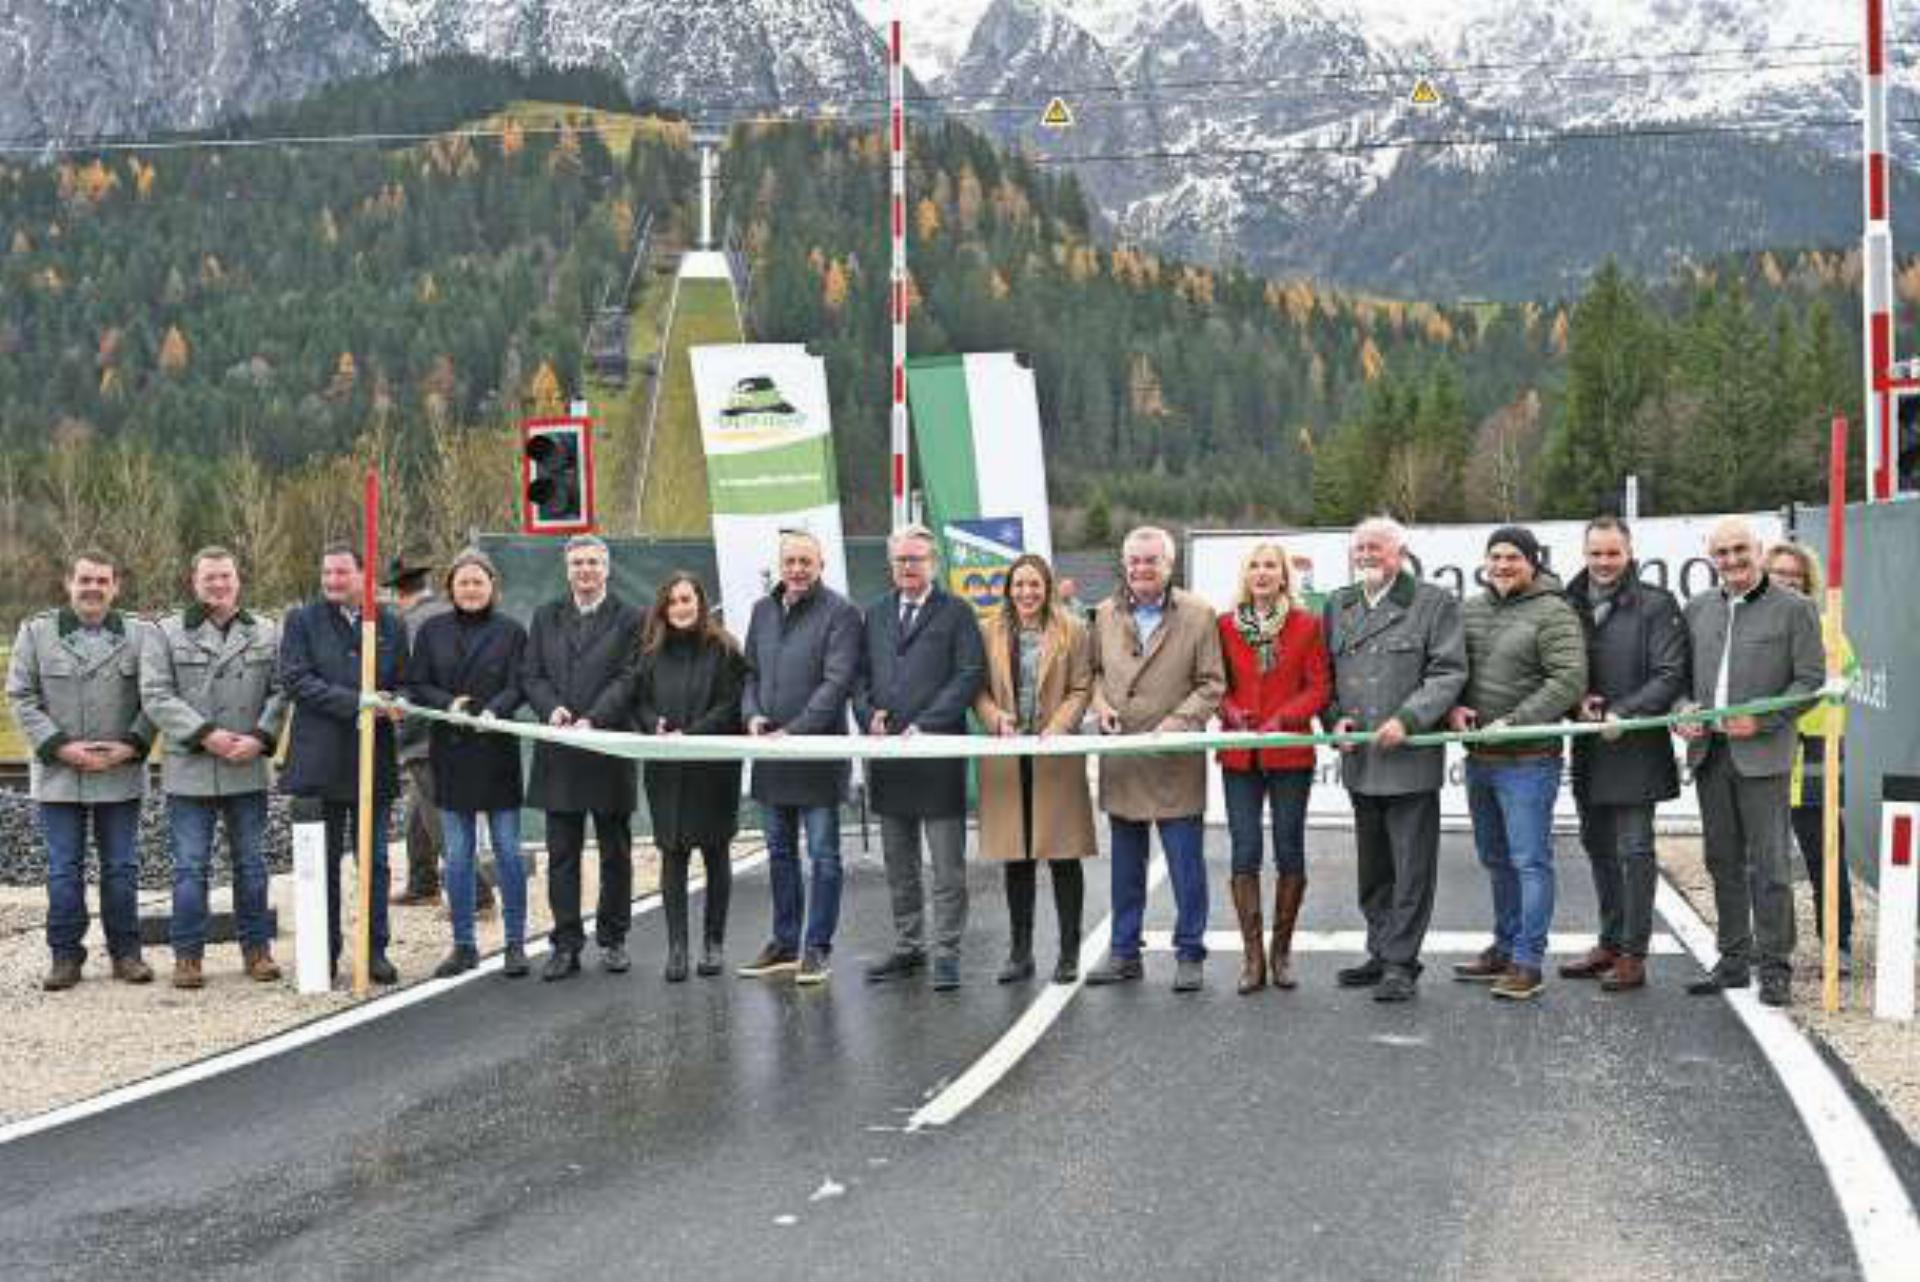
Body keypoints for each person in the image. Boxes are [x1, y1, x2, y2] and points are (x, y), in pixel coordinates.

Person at [1323, 517, 1467, 1003]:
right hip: (1360, 760)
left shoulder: (1433, 603)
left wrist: (1409, 718)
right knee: (1373, 867)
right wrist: (1333, 719)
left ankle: (1402, 962)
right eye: (1359, 547)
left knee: (1412, 867)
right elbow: (1326, 675)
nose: (1366, 555)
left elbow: (1448, 673)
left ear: (1399, 553)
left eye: (1376, 548)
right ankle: (1381, 949)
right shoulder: (1338, 604)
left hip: (1407, 758)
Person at [1447, 526, 1587, 1003]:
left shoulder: (1554, 611)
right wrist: (1456, 707)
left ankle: (1528, 960)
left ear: (1532, 562)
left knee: (1530, 861)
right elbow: (1452, 670)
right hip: (1480, 759)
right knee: (1495, 858)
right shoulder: (1469, 609)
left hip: (1529, 760)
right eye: (1495, 557)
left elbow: (1568, 679)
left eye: (1512, 557)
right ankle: (1505, 946)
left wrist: (1517, 721)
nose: (1503, 565)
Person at [7, 550, 156, 991]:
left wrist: (130, 746)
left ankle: (126, 954)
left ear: (116, 586)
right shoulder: (36, 633)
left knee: (122, 868)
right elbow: (21, 697)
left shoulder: (141, 635)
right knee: (62, 869)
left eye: (102, 580)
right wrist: (60, 748)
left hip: (119, 772)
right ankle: (65, 957)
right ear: (68, 583)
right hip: (59, 775)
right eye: (85, 579)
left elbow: (157, 696)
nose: (93, 588)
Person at [140, 547, 288, 989]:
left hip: (247, 766)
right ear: (194, 581)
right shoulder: (163, 634)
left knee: (252, 865)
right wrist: (208, 735)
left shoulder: (267, 631)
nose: (218, 584)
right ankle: (188, 957)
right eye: (210, 577)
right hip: (192, 769)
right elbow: (156, 695)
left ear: (237, 580)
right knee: (189, 868)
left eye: (225, 576)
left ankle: (257, 950)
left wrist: (261, 738)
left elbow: (281, 690)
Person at [1085, 526, 1225, 992]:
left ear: (1169, 565)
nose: (1141, 569)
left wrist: (1177, 725)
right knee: (1126, 867)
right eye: (1134, 561)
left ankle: (1190, 952)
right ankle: (1124, 952)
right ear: (1124, 565)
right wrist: (1102, 707)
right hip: (1123, 757)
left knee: (1186, 867)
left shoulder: (1199, 614)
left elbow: (1212, 684)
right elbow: (1096, 674)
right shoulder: (1103, 613)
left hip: (1173, 758)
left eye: (1151, 560)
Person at [1560, 518, 1688, 993]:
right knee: (1598, 849)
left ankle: (1634, 954)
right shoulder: (1567, 601)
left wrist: (1624, 712)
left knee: (1635, 851)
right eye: (1596, 554)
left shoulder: (1657, 604)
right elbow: (1560, 667)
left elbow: (1670, 674)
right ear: (1585, 553)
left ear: (1629, 552)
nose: (1604, 563)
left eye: (1613, 554)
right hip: (1590, 746)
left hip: (1635, 746)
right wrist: (1578, 703)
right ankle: (1610, 942)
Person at [857, 525, 986, 991]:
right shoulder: (874, 614)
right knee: (899, 864)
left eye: (915, 559)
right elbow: (860, 675)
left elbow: (969, 674)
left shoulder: (957, 613)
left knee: (947, 866)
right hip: (890, 758)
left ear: (933, 563)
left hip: (936, 754)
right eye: (900, 560)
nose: (907, 567)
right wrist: (867, 713)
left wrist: (926, 724)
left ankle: (947, 950)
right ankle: (909, 946)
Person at [278, 542, 408, 985]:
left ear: (362, 574)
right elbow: (296, 680)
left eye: (341, 573)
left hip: (374, 759)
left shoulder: (389, 624)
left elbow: (403, 681)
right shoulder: (302, 621)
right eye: (327, 573)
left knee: (374, 862)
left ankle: (373, 951)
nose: (333, 581)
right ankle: (324, 952)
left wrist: (395, 702)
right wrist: (356, 702)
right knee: (324, 863)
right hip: (320, 762)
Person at [738, 529, 862, 985]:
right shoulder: (761, 611)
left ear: (821, 565)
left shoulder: (842, 614)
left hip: (817, 757)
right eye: (790, 561)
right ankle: (785, 943)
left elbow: (837, 683)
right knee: (779, 854)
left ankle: (817, 948)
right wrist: (752, 717)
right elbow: (748, 675)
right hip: (771, 758)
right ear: (780, 564)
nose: (797, 570)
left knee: (824, 857)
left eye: (805, 562)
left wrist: (795, 730)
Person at [404, 550, 531, 979]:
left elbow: (522, 682)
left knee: (509, 851)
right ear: (451, 588)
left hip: (497, 751)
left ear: (492, 586)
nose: (471, 589)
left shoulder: (512, 632)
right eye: (463, 582)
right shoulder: (432, 632)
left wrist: (496, 710)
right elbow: (417, 683)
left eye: (479, 581)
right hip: (451, 752)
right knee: (457, 854)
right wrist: (449, 703)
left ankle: (515, 943)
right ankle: (463, 945)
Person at [521, 534, 642, 981]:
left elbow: (631, 677)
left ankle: (613, 940)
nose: (585, 570)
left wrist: (593, 719)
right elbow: (531, 674)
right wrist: (552, 708)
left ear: (607, 568)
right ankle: (566, 944)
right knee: (562, 854)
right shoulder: (545, 615)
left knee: (616, 852)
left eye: (593, 562)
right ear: (567, 569)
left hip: (609, 747)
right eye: (577, 563)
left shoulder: (631, 619)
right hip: (560, 753)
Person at [975, 554, 1097, 984]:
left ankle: (1068, 953)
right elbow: (979, 689)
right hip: (1007, 755)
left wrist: (1059, 726)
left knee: (1064, 856)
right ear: (1008, 588)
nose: (1027, 593)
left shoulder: (1074, 629)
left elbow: (1084, 685)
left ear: (1047, 588)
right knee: (1017, 856)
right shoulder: (988, 630)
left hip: (1056, 753)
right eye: (1019, 585)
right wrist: (995, 719)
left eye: (1035, 585)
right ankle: (1020, 953)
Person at [1217, 540, 1330, 994]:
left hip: (1288, 751)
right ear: (1246, 576)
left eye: (1271, 567)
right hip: (1241, 753)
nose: (1262, 574)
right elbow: (1213, 683)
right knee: (1244, 849)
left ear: (1284, 576)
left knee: (1289, 847)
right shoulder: (1223, 625)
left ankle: (1281, 952)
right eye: (1254, 567)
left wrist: (1284, 718)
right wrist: (1229, 712)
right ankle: (1252, 958)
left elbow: (1319, 686)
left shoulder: (1307, 625)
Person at [632, 571, 748, 982]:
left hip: (713, 768)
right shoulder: (649, 653)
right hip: (666, 770)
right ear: (664, 608)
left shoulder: (725, 650)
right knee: (673, 856)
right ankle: (677, 949)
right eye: (674, 601)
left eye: (689, 599)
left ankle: (713, 944)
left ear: (700, 603)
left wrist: (692, 736)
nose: (682, 607)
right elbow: (639, 702)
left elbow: (731, 706)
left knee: (716, 855)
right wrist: (655, 725)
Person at [1765, 541, 1856, 973]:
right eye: (1778, 573)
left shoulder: (1826, 627)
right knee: (1765, 859)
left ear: (1808, 583)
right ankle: (1770, 947)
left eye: (1794, 575)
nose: (1785, 581)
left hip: (1814, 751)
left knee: (1825, 853)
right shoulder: (1752, 624)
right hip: (1765, 748)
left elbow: (1843, 677)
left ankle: (1838, 944)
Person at [387, 552, 493, 916]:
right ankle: (423, 882)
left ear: (397, 593)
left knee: (441, 814)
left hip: (426, 732)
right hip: (456, 725)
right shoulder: (445, 615)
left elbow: (412, 683)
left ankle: (477, 896)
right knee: (420, 807)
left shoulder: (408, 624)